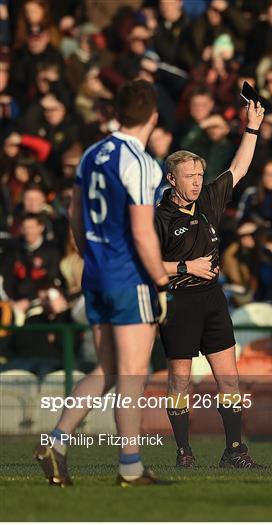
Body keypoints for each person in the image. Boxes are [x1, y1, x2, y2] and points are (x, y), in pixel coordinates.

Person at [34, 79, 170, 487]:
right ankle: (130, 466)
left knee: (108, 369)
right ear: (154, 116)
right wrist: (162, 281)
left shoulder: (93, 152)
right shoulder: (142, 162)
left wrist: (89, 255)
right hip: (128, 275)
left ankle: (55, 442)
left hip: (94, 273)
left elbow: (74, 213)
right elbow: (144, 234)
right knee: (132, 372)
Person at [154, 100, 265, 468]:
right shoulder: (160, 217)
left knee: (230, 380)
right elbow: (147, 265)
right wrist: (187, 265)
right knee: (179, 383)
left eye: (200, 175)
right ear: (173, 179)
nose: (198, 182)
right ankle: (183, 450)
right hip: (179, 302)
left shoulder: (209, 201)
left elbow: (239, 167)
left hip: (213, 300)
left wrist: (251, 127)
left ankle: (235, 450)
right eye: (190, 176)